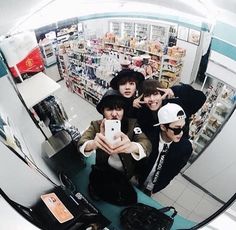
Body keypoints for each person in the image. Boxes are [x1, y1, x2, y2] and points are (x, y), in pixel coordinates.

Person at [78, 89, 152, 179]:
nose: (114, 114)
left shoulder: (132, 124)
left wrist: (131, 146)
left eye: (118, 109)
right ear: (103, 111)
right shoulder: (96, 125)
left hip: (126, 173)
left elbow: (146, 143)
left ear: (123, 111)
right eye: (109, 109)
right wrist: (93, 144)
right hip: (103, 172)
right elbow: (81, 143)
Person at [136, 103, 192, 195]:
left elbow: (174, 170)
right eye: (177, 129)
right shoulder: (148, 137)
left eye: (183, 128)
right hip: (138, 178)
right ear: (162, 126)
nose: (181, 133)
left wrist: (160, 186)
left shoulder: (185, 148)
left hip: (155, 187)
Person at [134, 79, 206, 139]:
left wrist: (174, 90)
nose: (152, 99)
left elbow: (200, 98)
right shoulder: (142, 113)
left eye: (155, 94)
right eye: (147, 96)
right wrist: (132, 104)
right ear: (142, 98)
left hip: (178, 148)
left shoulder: (175, 105)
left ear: (162, 94)